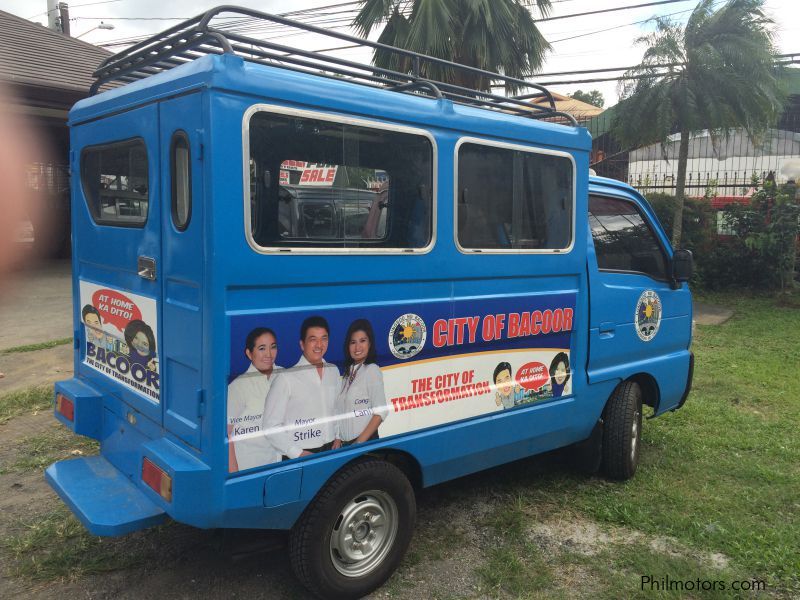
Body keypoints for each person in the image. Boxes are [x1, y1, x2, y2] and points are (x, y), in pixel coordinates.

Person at [262, 316, 340, 460]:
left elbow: (335, 408)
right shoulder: (286, 379)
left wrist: (337, 436)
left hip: (331, 449)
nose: (319, 345)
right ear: (302, 344)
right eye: (313, 339)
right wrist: (296, 453)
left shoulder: (333, 371)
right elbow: (270, 426)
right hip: (300, 454)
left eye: (324, 338)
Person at [227, 327, 282, 472]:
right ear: (249, 353)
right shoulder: (238, 387)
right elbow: (226, 435)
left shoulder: (285, 376)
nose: (269, 354)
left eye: (273, 347)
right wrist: (234, 474)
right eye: (262, 348)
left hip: (279, 463)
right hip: (250, 468)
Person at [335, 319, 389, 445]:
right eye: (353, 342)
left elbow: (381, 412)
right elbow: (339, 411)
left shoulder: (372, 370)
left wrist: (359, 443)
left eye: (362, 341)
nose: (357, 347)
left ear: (370, 344)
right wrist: (338, 437)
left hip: (364, 444)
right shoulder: (347, 374)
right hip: (344, 445)